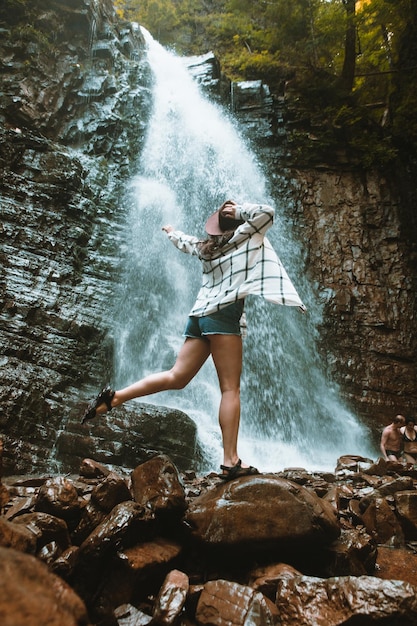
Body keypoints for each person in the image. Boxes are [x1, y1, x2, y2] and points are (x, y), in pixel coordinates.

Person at [81, 200, 306, 480]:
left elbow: (185, 242)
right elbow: (268, 212)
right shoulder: (246, 236)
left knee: (176, 376)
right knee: (230, 390)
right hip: (223, 317)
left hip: (198, 317)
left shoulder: (205, 249)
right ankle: (231, 460)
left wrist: (171, 231)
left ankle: (114, 398)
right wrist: (237, 211)